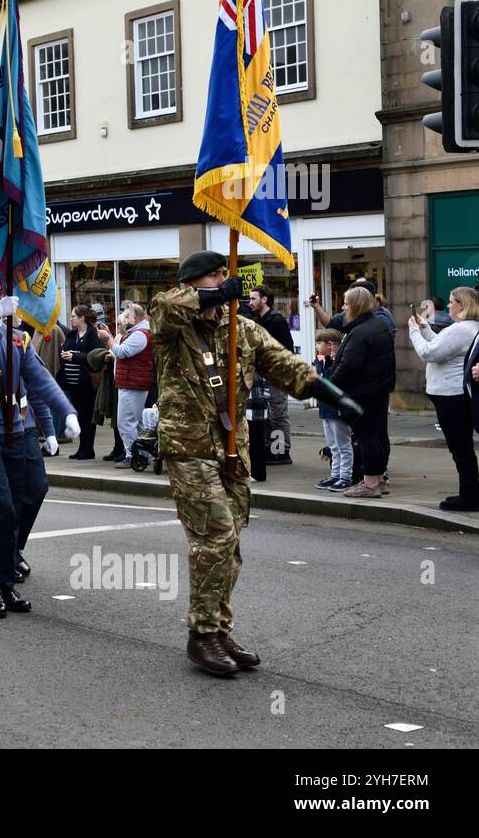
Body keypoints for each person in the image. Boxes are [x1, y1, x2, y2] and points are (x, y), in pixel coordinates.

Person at [150, 251, 360, 676]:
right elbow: (166, 308)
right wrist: (208, 296)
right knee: (216, 537)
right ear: (191, 284)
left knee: (231, 546)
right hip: (189, 448)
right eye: (214, 276)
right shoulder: (173, 322)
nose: (225, 281)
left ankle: (220, 628)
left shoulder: (242, 330)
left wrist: (331, 393)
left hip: (232, 448)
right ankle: (202, 635)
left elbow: (284, 364)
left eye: (226, 275)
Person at [0, 292, 78, 616]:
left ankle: (7, 583)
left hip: (15, 430)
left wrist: (66, 413)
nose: (6, 303)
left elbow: (40, 381)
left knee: (19, 501)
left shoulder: (17, 339)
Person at [407, 287, 479, 510]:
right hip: (455, 394)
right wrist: (426, 328)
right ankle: (468, 493)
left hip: (450, 395)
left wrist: (413, 332)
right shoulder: (468, 328)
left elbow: (430, 353)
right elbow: (441, 345)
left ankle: (469, 497)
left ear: (462, 305)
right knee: (462, 446)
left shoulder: (460, 329)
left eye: (451, 301)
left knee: (460, 448)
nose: (448, 305)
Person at [328, 286, 396, 499]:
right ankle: (378, 479)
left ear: (356, 306)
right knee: (375, 435)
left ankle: (370, 483)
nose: (343, 307)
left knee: (366, 437)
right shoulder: (377, 324)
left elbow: (349, 366)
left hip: (362, 393)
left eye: (346, 303)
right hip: (377, 390)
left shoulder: (361, 331)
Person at [247, 285, 295, 465]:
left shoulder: (275, 320)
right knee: (265, 413)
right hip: (262, 374)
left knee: (277, 412)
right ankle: (269, 448)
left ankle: (281, 451)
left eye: (253, 299)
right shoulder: (257, 319)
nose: (250, 302)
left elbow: (287, 349)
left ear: (264, 299)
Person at [104, 303, 153, 468]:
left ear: (136, 317)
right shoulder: (138, 333)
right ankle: (139, 454)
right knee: (136, 422)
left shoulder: (140, 334)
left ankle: (133, 455)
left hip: (133, 383)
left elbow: (122, 352)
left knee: (125, 422)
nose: (124, 320)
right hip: (131, 381)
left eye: (126, 316)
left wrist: (108, 339)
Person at [59, 305, 101, 459]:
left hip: (87, 383)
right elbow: (66, 349)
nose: (71, 319)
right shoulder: (71, 335)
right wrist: (64, 354)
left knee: (87, 417)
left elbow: (96, 357)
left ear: (82, 317)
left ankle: (88, 449)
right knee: (78, 416)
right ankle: (81, 448)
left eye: (73, 316)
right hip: (72, 383)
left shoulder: (93, 335)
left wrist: (74, 356)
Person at [313, 330, 353, 491]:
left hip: (336, 409)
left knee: (343, 445)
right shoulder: (320, 361)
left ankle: (345, 477)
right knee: (333, 445)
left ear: (330, 346)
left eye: (319, 343)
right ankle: (335, 474)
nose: (316, 346)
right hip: (325, 408)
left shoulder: (337, 362)